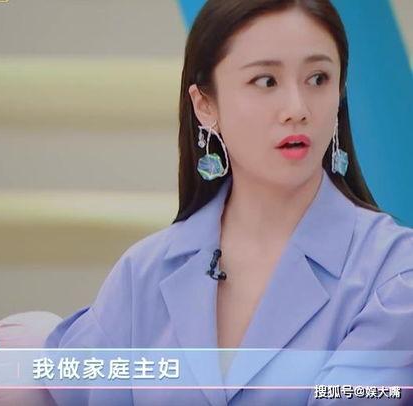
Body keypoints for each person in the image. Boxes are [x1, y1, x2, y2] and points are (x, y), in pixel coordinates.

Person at [45, 0, 413, 404]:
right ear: (205, 105)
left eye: (318, 78)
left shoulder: (394, 275)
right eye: (266, 81)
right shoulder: (144, 273)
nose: (297, 109)